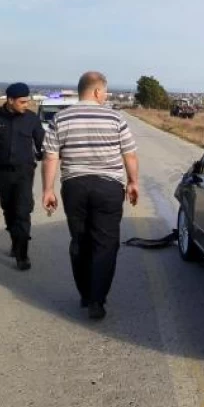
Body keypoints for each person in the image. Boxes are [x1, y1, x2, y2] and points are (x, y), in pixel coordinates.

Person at [42, 71, 139, 320]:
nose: (105, 96)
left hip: (74, 186)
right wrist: (133, 182)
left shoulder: (60, 119)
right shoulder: (115, 118)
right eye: (104, 91)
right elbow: (129, 154)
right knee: (105, 243)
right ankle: (97, 299)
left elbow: (51, 157)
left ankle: (86, 293)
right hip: (108, 187)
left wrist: (48, 189)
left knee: (80, 240)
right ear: (97, 91)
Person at [0, 83, 45, 270]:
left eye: (27, 101)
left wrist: (48, 155)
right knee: (8, 209)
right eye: (22, 102)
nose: (26, 105)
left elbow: (42, 142)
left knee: (23, 210)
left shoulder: (31, 119)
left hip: (24, 172)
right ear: (10, 100)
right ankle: (16, 239)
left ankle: (22, 255)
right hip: (2, 172)